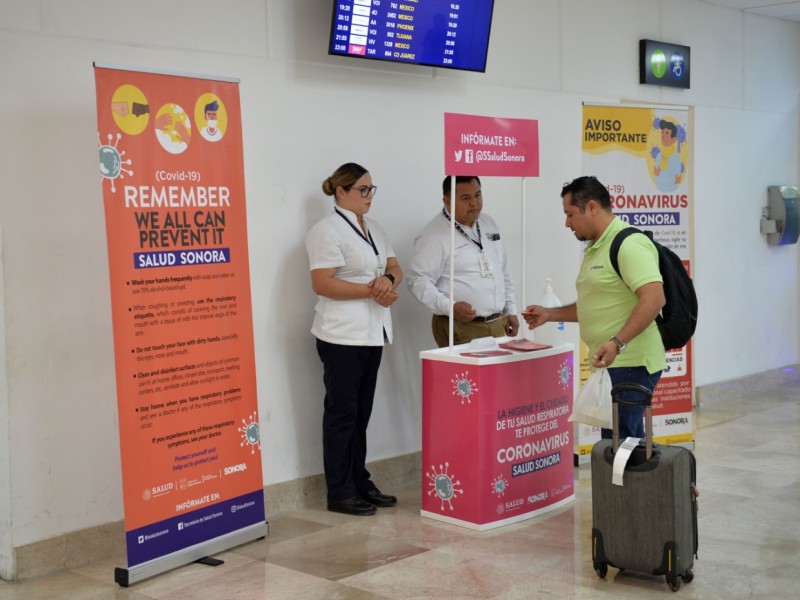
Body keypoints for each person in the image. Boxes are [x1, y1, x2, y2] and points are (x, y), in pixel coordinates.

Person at [522, 176, 666, 440]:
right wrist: (550, 314)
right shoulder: (596, 247)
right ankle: (619, 483)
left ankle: (629, 483)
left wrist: (617, 342)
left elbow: (654, 299)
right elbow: (593, 306)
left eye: (570, 214)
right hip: (612, 364)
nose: (566, 222)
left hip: (631, 362)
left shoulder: (628, 244)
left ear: (591, 207)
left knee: (624, 449)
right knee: (617, 445)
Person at [306, 162, 403, 516]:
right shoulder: (326, 231)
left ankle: (360, 480)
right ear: (341, 191)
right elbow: (323, 283)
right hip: (340, 336)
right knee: (341, 413)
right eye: (363, 190)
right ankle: (340, 490)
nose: (369, 196)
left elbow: (395, 267)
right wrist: (370, 288)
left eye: (371, 189)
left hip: (372, 332)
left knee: (361, 412)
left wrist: (388, 282)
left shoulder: (375, 229)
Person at [406, 176, 519, 347]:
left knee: (499, 374)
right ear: (447, 201)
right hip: (461, 327)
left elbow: (503, 271)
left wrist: (510, 310)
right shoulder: (433, 235)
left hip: (497, 323)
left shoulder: (489, 223)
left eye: (478, 195)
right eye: (466, 198)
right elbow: (417, 281)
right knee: (466, 375)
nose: (474, 203)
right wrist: (449, 307)